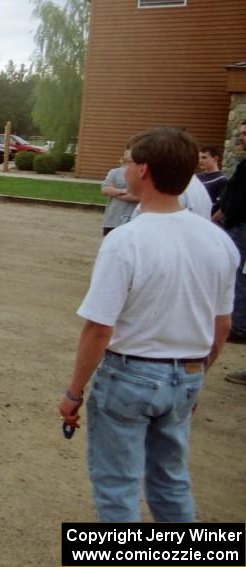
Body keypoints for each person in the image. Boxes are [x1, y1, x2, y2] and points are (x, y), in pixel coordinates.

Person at [58, 127, 238, 522]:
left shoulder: (126, 241)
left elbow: (99, 328)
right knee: (171, 480)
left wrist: (74, 392)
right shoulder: (218, 240)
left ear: (144, 170)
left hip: (130, 375)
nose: (124, 171)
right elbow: (221, 325)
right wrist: (195, 378)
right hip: (187, 371)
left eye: (127, 163)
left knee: (117, 484)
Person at [215, 121, 246, 371]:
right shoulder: (244, 165)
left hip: (242, 228)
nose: (241, 138)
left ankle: (240, 324)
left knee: (239, 275)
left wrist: (221, 216)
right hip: (234, 224)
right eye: (242, 133)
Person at [100, 148, 138, 236]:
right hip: (112, 220)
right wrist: (126, 191)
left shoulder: (141, 175)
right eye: (125, 161)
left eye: (130, 162)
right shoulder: (114, 172)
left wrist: (114, 192)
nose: (126, 164)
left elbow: (137, 197)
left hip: (131, 221)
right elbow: (105, 190)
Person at [197, 144, 227, 214]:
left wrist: (211, 221)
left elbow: (223, 207)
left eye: (204, 158)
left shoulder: (222, 180)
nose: (200, 161)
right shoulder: (196, 177)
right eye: (199, 158)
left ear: (215, 158)